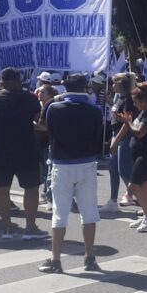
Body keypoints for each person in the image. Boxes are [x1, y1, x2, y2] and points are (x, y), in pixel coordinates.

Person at [41, 74, 103, 273]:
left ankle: (56, 259)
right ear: (85, 87)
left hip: (62, 163)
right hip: (86, 163)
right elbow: (98, 138)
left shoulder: (54, 108)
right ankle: (90, 257)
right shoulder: (94, 110)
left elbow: (49, 132)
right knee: (89, 213)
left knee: (59, 213)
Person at [0, 67, 46, 240]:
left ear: (1, 82)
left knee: (1, 189)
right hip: (25, 149)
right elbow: (38, 119)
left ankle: (7, 228)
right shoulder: (29, 98)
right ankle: (31, 228)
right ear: (17, 82)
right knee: (31, 188)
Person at [116, 84, 147, 232]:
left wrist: (127, 121)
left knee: (133, 185)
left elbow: (140, 132)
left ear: (143, 100)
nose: (134, 104)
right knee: (145, 186)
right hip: (140, 154)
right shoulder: (144, 112)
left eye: (136, 101)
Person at [107, 73, 136, 210]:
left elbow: (127, 122)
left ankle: (139, 195)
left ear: (120, 84)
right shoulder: (120, 98)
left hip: (124, 137)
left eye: (114, 83)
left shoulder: (129, 99)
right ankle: (112, 201)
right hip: (116, 134)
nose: (112, 86)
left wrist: (116, 140)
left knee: (124, 170)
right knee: (113, 169)